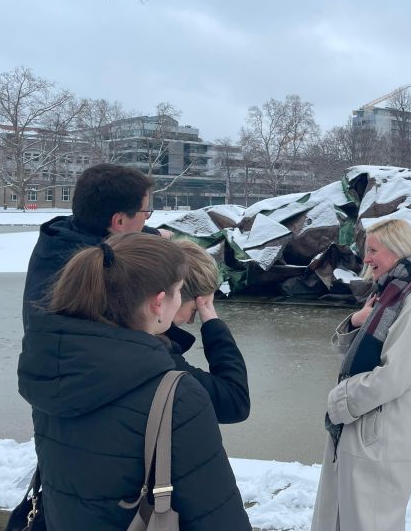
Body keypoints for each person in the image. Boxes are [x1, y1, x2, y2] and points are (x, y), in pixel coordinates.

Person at [17, 232, 251, 530]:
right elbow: (219, 517)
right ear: (159, 301)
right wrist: (212, 322)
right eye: (179, 291)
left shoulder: (51, 367)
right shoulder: (174, 394)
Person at [310, 218, 411, 531]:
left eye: (372, 250)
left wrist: (339, 400)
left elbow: (395, 375)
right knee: (346, 517)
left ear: (397, 251)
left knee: (373, 521)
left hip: (384, 430)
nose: (365, 258)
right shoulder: (389, 296)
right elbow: (354, 354)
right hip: (364, 424)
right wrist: (356, 321)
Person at [22, 163, 165, 329]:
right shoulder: (100, 269)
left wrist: (155, 234)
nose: (147, 216)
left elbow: (118, 232)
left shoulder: (62, 236)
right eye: (145, 211)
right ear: (119, 220)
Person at [169, 239, 251, 424]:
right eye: (194, 310)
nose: (191, 321)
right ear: (172, 297)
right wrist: (212, 322)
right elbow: (235, 402)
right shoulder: (159, 359)